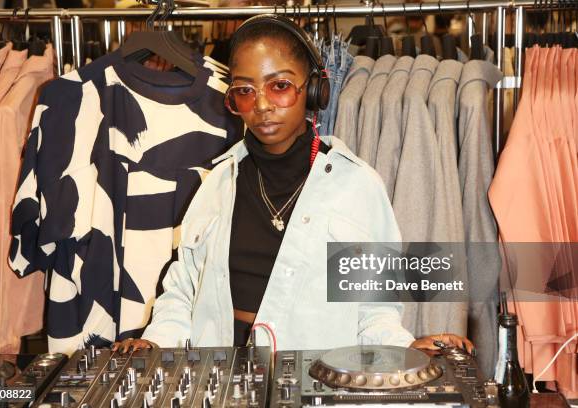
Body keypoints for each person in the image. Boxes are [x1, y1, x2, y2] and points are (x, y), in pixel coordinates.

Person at [113, 15, 473, 354]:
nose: (263, 105)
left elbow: (374, 311)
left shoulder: (357, 188)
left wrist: (404, 349)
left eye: (280, 86)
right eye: (245, 90)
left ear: (314, 89)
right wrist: (155, 343)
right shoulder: (217, 184)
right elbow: (182, 292)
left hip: (315, 383)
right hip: (222, 382)